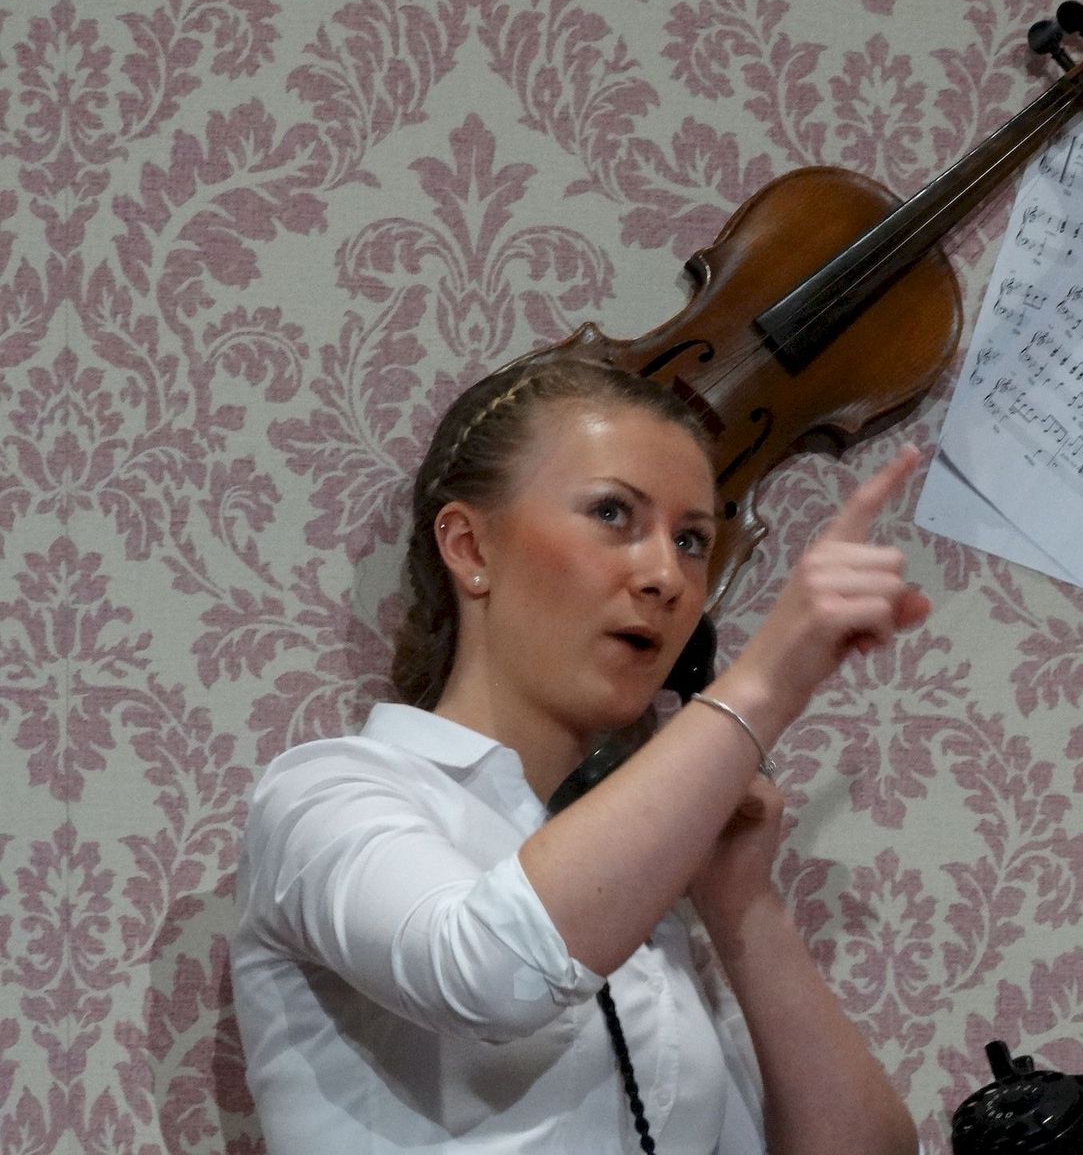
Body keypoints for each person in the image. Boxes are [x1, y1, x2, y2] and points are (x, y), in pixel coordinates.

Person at [231, 355, 930, 1154]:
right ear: (470, 547)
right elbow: (487, 973)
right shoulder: (325, 795)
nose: (666, 576)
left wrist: (743, 904)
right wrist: (763, 685)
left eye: (692, 540)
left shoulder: (647, 896)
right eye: (612, 514)